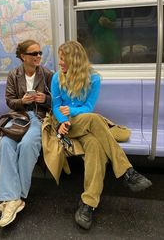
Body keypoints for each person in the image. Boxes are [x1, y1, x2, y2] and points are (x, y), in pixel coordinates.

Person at [42, 40, 152, 230]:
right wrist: (62, 120)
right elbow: (55, 106)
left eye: (63, 59)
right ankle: (127, 171)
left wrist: (73, 112)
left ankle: (88, 204)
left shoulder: (93, 79)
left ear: (75, 60)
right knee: (94, 120)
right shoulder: (56, 78)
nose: (59, 63)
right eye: (59, 59)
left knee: (94, 145)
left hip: (82, 120)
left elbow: (88, 107)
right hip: (64, 123)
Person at [0, 39, 53, 228]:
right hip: (18, 117)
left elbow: (57, 101)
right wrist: (22, 100)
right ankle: (14, 199)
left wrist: (44, 98)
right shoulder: (14, 74)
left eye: (39, 53)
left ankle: (13, 198)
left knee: (27, 145)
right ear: (23, 57)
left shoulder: (47, 74)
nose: (38, 56)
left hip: (38, 118)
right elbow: (10, 102)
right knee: (5, 143)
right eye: (34, 53)